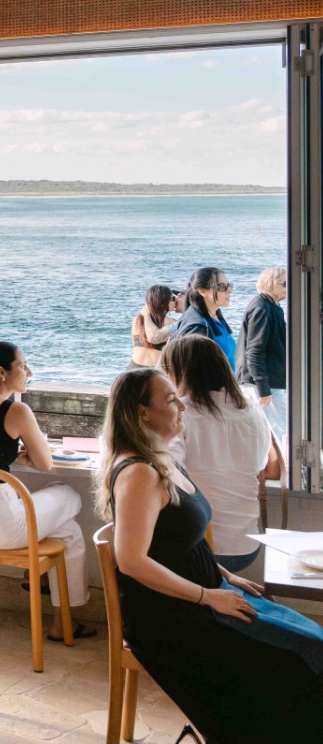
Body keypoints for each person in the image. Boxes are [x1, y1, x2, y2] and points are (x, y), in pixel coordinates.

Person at [99, 366, 323, 741]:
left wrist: (226, 575)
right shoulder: (140, 473)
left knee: (312, 642)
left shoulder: (162, 459)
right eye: (171, 400)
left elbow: (176, 541)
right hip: (171, 614)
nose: (182, 407)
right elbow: (131, 561)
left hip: (207, 592)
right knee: (297, 660)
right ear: (142, 414)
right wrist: (208, 596)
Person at [0, 340, 92, 633]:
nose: (29, 371)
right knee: (67, 494)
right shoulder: (14, 411)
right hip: (4, 524)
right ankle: (47, 595)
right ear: (2, 373)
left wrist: (9, 453)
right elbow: (45, 463)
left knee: (69, 532)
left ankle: (61, 621)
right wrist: (24, 455)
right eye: (23, 366)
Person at [164, 334, 273, 572]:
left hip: (202, 545)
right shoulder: (251, 410)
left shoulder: (181, 413)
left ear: (179, 372)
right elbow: (262, 463)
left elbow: (168, 470)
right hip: (247, 543)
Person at [236, 266, 289, 446]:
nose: (289, 287)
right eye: (285, 283)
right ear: (272, 284)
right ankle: (289, 470)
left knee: (275, 429)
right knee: (283, 429)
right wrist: (263, 386)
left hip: (268, 380)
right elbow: (255, 350)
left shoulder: (272, 307)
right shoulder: (262, 309)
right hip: (262, 382)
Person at [171, 266, 236, 370]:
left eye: (229, 285)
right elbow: (191, 371)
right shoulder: (198, 326)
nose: (229, 290)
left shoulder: (215, 315)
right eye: (221, 286)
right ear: (202, 291)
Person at [131, 284, 177, 367]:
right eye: (173, 298)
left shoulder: (137, 320)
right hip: (155, 369)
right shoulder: (171, 322)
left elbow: (134, 345)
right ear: (163, 301)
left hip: (134, 366)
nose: (175, 301)